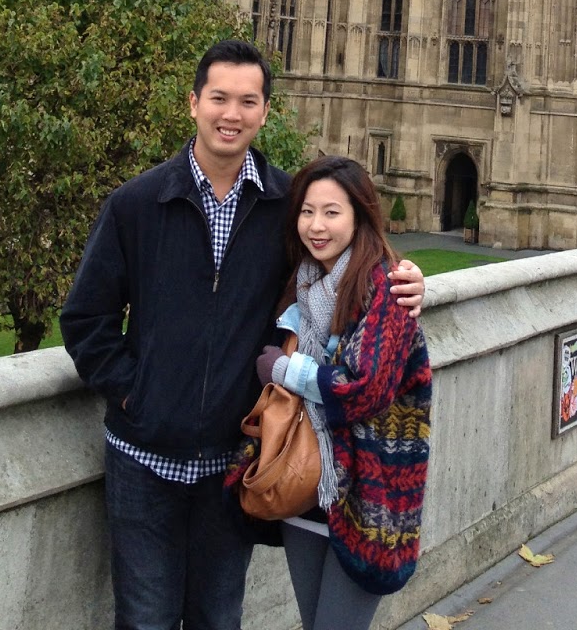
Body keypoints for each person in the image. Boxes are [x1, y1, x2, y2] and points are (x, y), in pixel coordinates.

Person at [60, 40, 425, 630]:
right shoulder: (137, 203)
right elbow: (85, 319)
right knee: (145, 620)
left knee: (217, 619)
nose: (231, 114)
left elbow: (342, 272)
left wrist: (405, 279)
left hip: (233, 463)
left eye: (247, 101)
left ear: (264, 111)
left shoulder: (286, 206)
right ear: (194, 103)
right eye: (219, 98)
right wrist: (134, 394)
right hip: (143, 458)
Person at [252, 156, 431, 630]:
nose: (317, 225)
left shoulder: (388, 288)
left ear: (359, 216)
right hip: (304, 484)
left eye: (332, 212)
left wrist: (283, 369)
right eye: (307, 212)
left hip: (367, 496)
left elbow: (364, 389)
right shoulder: (301, 280)